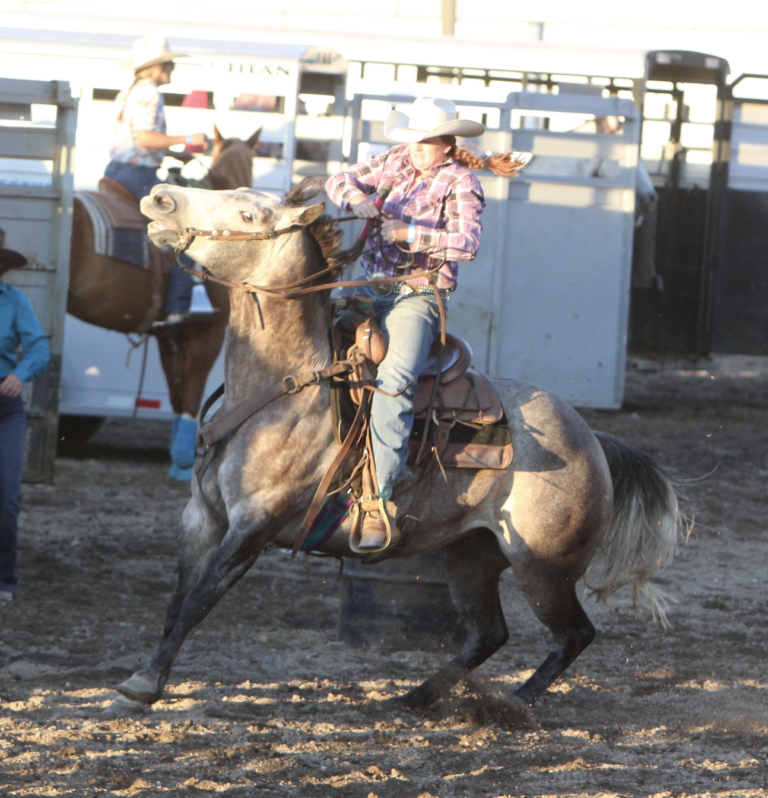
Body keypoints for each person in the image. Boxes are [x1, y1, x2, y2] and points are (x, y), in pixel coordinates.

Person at [325, 97, 527, 549]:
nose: (415, 148)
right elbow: (338, 180)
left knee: (394, 381)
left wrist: (410, 234)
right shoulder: (395, 160)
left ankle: (378, 500)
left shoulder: (462, 181)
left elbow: (467, 243)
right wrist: (357, 199)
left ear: (446, 144)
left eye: (425, 141)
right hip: (368, 289)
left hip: (418, 296)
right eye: (412, 139)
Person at [105, 35, 211, 324]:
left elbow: (135, 140)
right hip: (137, 173)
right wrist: (187, 139)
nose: (173, 68)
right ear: (158, 67)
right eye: (170, 63)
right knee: (187, 228)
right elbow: (144, 138)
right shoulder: (150, 92)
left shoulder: (131, 90)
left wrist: (172, 153)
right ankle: (177, 308)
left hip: (116, 170)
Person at [0, 229, 50, 604]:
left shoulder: (15, 301)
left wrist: (20, 374)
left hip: (5, 408)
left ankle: (4, 578)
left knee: (6, 496)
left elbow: (39, 349)